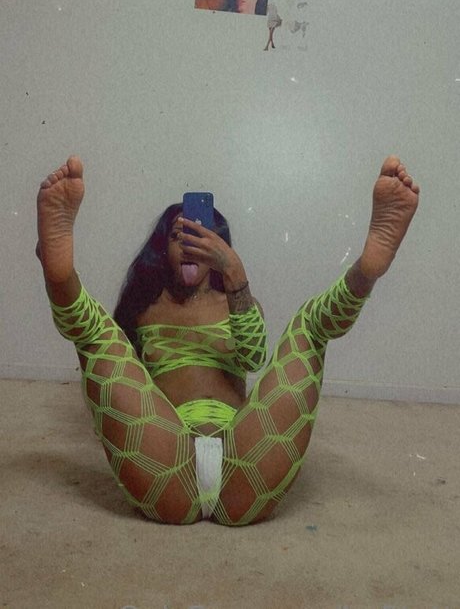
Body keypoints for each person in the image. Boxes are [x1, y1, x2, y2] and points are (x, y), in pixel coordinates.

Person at [36, 155, 419, 526]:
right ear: (163, 249)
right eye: (178, 236)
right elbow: (123, 386)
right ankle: (61, 276)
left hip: (247, 454)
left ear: (219, 247)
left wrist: (235, 273)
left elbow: (254, 358)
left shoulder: (238, 304)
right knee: (97, 334)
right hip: (165, 456)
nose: (188, 244)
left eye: (200, 236)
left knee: (310, 325)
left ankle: (366, 271)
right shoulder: (145, 309)